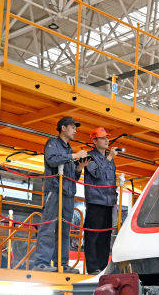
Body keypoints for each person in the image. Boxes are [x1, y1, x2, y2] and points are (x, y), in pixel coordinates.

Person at [30, 116, 90, 273]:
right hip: (55, 191)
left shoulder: (68, 149)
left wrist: (79, 167)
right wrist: (74, 156)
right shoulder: (53, 143)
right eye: (72, 127)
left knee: (64, 230)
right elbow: (51, 160)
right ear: (63, 128)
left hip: (68, 194)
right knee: (48, 227)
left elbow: (72, 177)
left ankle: (61, 264)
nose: (75, 130)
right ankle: (41, 263)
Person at [83, 127, 118, 274]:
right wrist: (109, 158)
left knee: (105, 237)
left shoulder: (110, 159)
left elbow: (112, 180)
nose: (106, 140)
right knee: (93, 235)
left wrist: (115, 199)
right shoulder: (89, 157)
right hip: (95, 201)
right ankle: (92, 267)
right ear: (95, 140)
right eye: (103, 138)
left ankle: (103, 267)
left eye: (107, 138)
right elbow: (97, 173)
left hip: (108, 202)